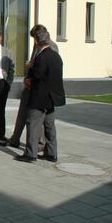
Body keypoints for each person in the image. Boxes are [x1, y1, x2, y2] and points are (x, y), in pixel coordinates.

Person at [1, 24, 59, 148]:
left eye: (35, 37)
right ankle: (15, 139)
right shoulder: (36, 45)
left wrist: (32, 70)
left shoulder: (51, 47)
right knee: (22, 113)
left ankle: (39, 144)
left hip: (40, 88)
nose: (34, 40)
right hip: (29, 85)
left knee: (38, 119)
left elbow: (47, 68)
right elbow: (36, 62)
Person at [15, 25, 65, 163]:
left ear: (37, 40)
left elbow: (37, 76)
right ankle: (51, 153)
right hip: (51, 98)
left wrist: (28, 79)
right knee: (50, 126)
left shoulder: (42, 57)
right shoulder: (56, 56)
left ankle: (30, 154)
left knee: (33, 124)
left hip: (39, 97)